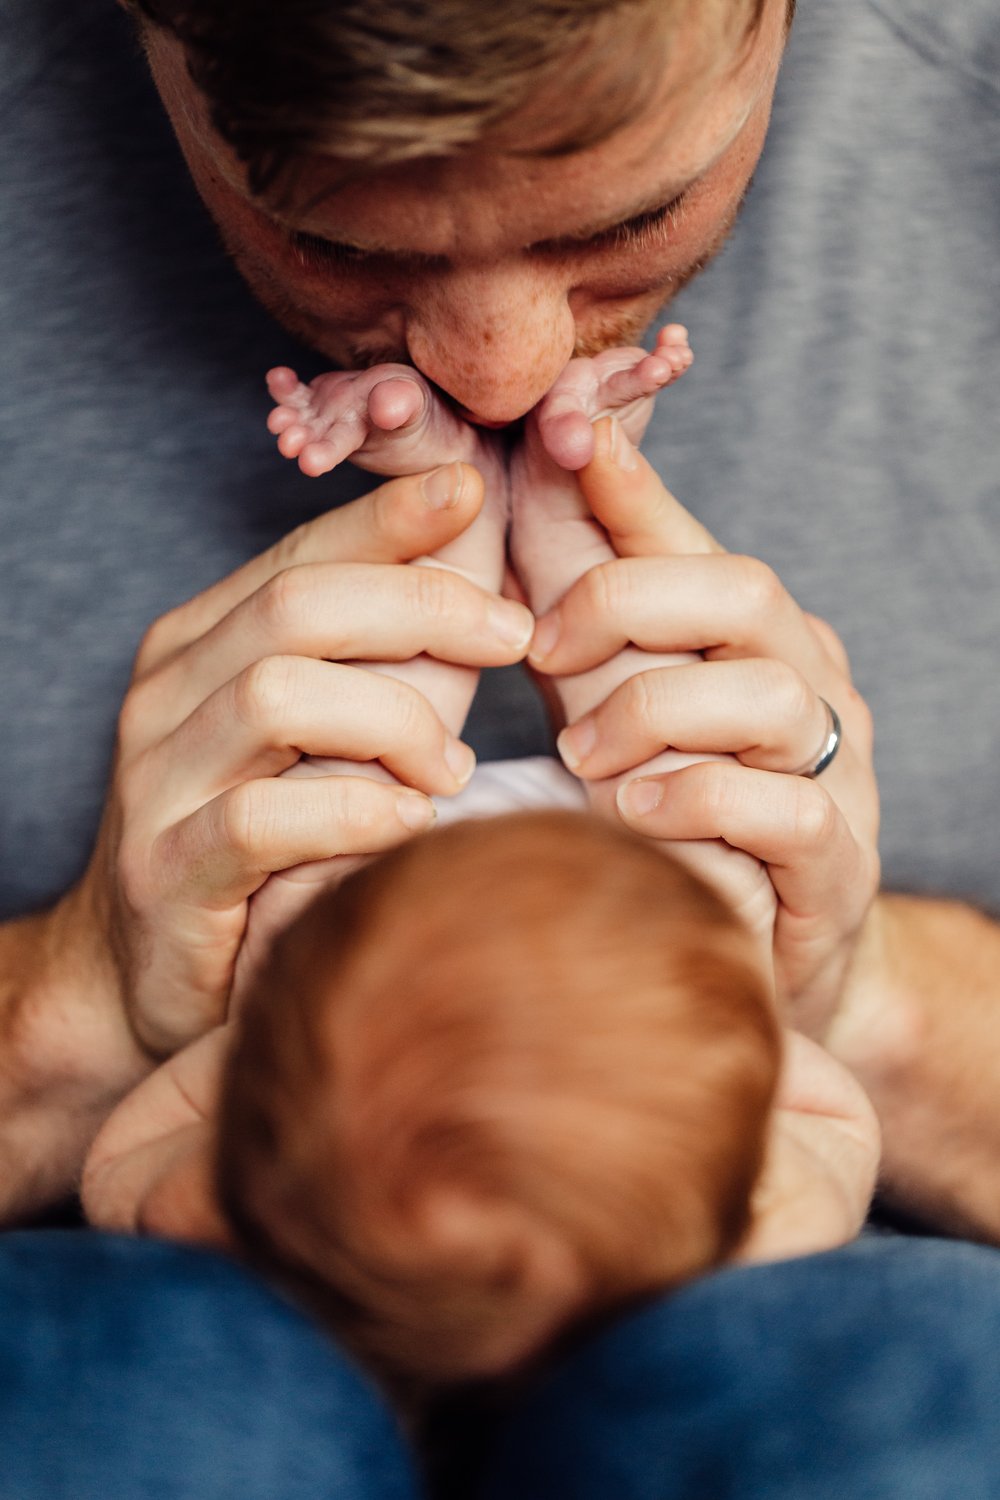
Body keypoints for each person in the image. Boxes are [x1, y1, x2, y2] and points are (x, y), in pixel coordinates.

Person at [2, 0, 1000, 1489]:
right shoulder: (335, 1012)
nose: (498, 375)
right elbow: (816, 1143)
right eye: (341, 243)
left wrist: (864, 991)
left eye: (634, 215)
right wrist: (82, 997)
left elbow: (139, 1170)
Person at [81, 808, 879, 1393]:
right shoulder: (776, 1219)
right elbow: (841, 1127)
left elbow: (117, 1170)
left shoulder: (223, 1199)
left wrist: (236, 1064)